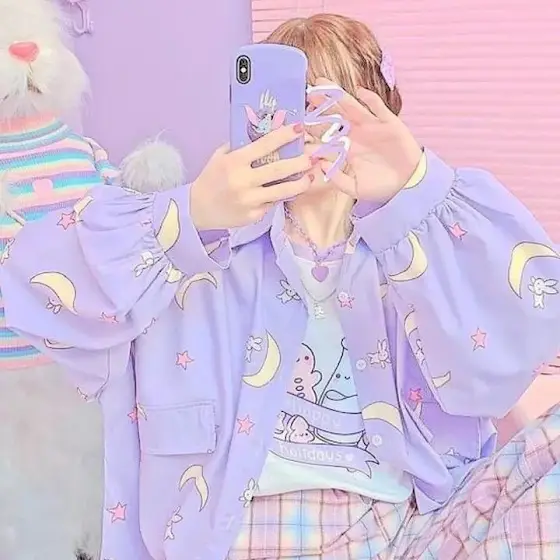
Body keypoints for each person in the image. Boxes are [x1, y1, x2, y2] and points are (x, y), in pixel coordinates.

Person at [1, 12, 560, 560]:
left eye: (333, 105)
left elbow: (530, 321)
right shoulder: (199, 252)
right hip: (230, 532)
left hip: (402, 535)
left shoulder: (418, 247)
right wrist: (189, 216)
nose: (310, 129)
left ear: (381, 112)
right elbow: (33, 284)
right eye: (291, 103)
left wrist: (418, 187)